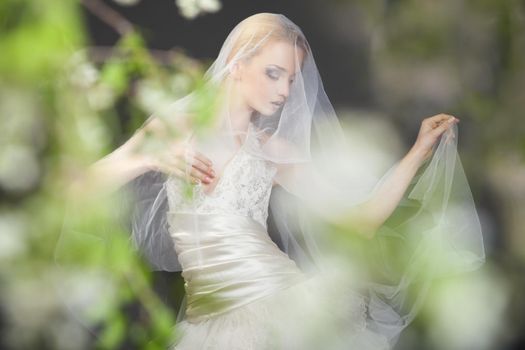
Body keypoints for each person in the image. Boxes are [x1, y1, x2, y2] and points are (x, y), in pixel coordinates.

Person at [57, 13, 485, 350]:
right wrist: (150, 156)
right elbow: (76, 189)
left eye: (293, 79)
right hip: (206, 323)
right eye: (274, 73)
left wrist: (417, 153)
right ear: (238, 64)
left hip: (280, 303)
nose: (285, 91)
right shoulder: (174, 127)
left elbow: (362, 222)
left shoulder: (271, 149)